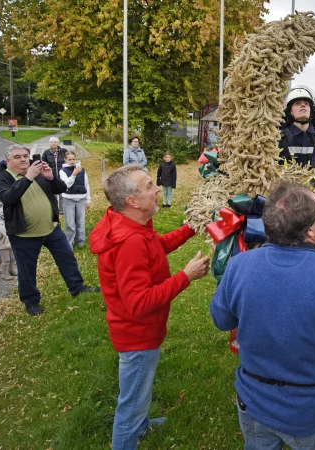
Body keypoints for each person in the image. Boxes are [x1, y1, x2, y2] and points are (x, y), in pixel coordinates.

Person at [210, 181, 315, 450]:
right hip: (311, 412)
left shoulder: (239, 265)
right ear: (311, 230)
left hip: (254, 403)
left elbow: (221, 320)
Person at [89, 164, 211, 450]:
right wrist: (185, 276)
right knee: (131, 403)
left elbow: (156, 247)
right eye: (148, 186)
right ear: (132, 201)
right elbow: (139, 303)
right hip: (138, 337)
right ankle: (130, 433)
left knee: (139, 390)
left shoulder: (130, 225)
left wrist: (190, 228)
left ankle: (142, 425)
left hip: (140, 332)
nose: (157, 189)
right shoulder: (130, 241)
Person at [0, 144, 99, 316]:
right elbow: (8, 198)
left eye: (25, 156)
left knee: (67, 259)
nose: (23, 159)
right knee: (27, 270)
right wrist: (28, 177)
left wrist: (50, 177)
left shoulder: (38, 172)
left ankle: (77, 288)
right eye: (17, 157)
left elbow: (61, 189)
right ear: (8, 161)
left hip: (51, 229)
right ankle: (31, 301)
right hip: (24, 234)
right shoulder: (2, 178)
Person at [278, 85, 315, 196]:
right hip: (285, 197)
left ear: (311, 110)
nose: (303, 105)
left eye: (306, 103)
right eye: (297, 103)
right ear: (290, 111)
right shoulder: (278, 139)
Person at [58, 152, 91, 247]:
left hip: (81, 199)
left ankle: (80, 243)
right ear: (65, 160)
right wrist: (73, 175)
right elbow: (66, 185)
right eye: (69, 159)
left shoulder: (82, 170)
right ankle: (69, 244)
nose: (72, 161)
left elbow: (86, 184)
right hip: (68, 200)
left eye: (73, 159)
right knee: (70, 224)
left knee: (80, 222)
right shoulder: (62, 171)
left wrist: (88, 199)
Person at [43, 136, 69, 211]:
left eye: (55, 142)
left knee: (62, 192)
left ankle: (61, 209)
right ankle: (54, 209)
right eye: (52, 142)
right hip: (52, 176)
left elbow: (68, 160)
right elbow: (43, 162)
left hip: (62, 175)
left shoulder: (64, 151)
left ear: (58, 143)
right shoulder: (46, 152)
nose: (53, 143)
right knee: (52, 192)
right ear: (49, 143)